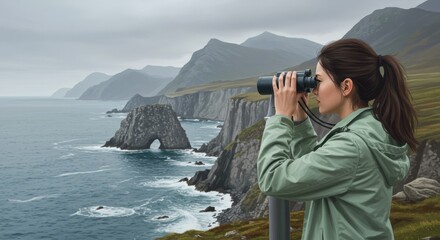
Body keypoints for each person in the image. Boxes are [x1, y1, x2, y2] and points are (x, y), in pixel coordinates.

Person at [257, 38, 417, 239]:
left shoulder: (351, 146)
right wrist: (299, 120)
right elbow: (318, 172)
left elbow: (272, 179)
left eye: (319, 81)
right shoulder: (371, 131)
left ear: (346, 86)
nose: (314, 89)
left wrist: (280, 119)